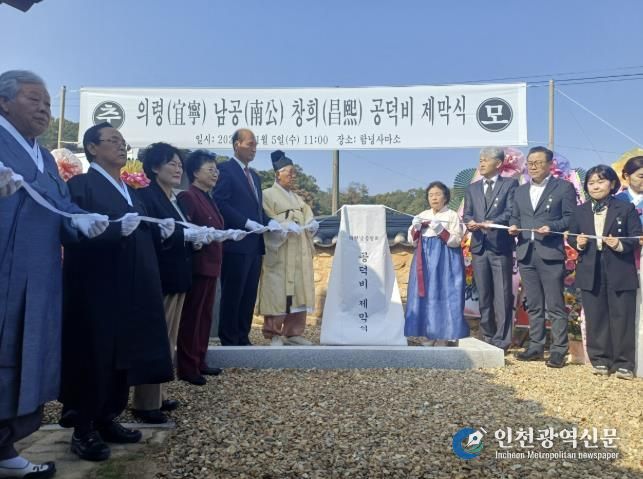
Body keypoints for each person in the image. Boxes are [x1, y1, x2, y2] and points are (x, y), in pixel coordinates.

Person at [0, 70, 108, 479]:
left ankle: (5, 446)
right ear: (3, 102)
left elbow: (61, 204)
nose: (45, 109)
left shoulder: (44, 157)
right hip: (4, 267)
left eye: (47, 103)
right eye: (34, 100)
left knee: (27, 353)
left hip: (41, 270)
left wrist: (82, 220)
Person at [60, 123, 174, 461]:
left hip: (133, 287)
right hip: (96, 287)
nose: (121, 147)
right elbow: (70, 230)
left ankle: (108, 416)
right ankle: (83, 427)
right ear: (92, 148)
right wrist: (111, 231)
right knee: (94, 353)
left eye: (123, 142)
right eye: (113, 141)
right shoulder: (80, 186)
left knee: (124, 354)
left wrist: (164, 232)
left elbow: (142, 234)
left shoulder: (131, 192)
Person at [131, 143, 213, 422]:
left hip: (179, 276)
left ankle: (159, 394)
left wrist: (196, 241)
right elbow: (150, 234)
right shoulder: (146, 196)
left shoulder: (175, 200)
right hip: (161, 277)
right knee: (157, 340)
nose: (178, 170)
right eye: (172, 164)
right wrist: (183, 236)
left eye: (180, 165)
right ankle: (145, 403)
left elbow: (181, 232)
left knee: (169, 341)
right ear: (155, 167)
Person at [508, 146, 577, 368]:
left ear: (550, 164)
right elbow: (515, 216)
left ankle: (558, 350)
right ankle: (535, 346)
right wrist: (513, 226)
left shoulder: (563, 188)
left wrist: (552, 227)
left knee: (555, 305)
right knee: (534, 304)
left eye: (538, 162)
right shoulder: (520, 191)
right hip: (526, 252)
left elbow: (571, 217)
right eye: (530, 163)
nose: (533, 166)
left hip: (550, 252)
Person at [213, 129, 281, 346]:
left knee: (249, 294)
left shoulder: (255, 176)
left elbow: (257, 209)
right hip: (236, 243)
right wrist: (245, 222)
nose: (254, 149)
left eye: (256, 145)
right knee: (233, 293)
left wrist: (269, 221)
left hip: (255, 244)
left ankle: (243, 337)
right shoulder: (225, 170)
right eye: (250, 144)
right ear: (237, 145)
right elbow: (220, 202)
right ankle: (229, 339)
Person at [257, 151, 319, 346]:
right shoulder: (266, 195)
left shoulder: (298, 199)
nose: (293, 176)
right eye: (290, 172)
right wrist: (284, 224)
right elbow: (266, 219)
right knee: (277, 291)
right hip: (281, 251)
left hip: (299, 250)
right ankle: (274, 333)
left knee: (299, 291)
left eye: (294, 173)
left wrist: (312, 224)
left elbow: (308, 216)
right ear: (278, 174)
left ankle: (293, 333)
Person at [176, 151, 226, 385]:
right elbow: (185, 230)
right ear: (195, 172)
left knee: (205, 316)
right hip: (198, 265)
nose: (215, 173)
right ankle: (187, 366)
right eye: (210, 169)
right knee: (192, 317)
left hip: (212, 264)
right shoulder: (188, 196)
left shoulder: (208, 197)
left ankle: (200, 359)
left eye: (216, 169)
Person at [463, 147, 518, 352]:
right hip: (479, 246)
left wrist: (492, 222)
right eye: (480, 160)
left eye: (486, 159)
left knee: (502, 295)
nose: (482, 163)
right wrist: (470, 222)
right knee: (484, 294)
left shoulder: (510, 184)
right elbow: (467, 213)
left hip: (500, 246)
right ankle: (487, 336)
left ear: (498, 163)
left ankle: (502, 340)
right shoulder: (472, 188)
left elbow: (511, 211)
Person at [405, 181, 469, 345]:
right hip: (423, 259)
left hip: (445, 259)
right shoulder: (421, 214)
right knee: (424, 293)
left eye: (438, 194)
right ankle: (425, 333)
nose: (434, 198)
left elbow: (456, 241)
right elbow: (411, 240)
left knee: (444, 292)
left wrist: (440, 229)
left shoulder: (452, 215)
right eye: (431, 195)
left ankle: (444, 334)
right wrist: (416, 228)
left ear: (445, 197)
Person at [616, 156, 643, 378]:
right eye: (641, 176)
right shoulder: (616, 201)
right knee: (625, 312)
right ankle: (625, 359)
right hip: (623, 261)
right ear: (626, 176)